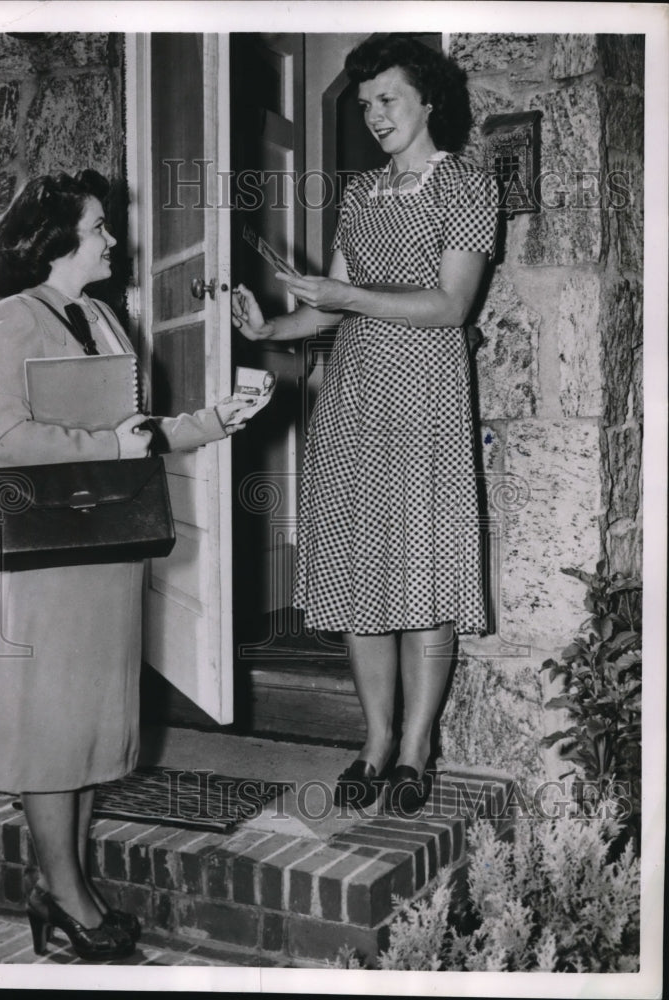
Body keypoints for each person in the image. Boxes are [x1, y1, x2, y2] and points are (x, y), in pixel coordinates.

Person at [0, 169, 252, 961]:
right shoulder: (15, 317)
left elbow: (136, 428)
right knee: (52, 730)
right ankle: (64, 895)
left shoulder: (99, 316)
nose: (113, 241)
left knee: (89, 728)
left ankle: (65, 885)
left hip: (108, 550)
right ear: (55, 241)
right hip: (54, 559)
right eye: (99, 228)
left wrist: (211, 422)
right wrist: (106, 447)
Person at [232, 35, 498, 816]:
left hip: (424, 396)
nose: (375, 114)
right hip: (353, 394)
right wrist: (271, 329)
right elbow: (330, 299)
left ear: (427, 101)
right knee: (358, 574)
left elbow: (450, 307)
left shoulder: (467, 187)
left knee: (422, 573)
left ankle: (417, 746)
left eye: (388, 99)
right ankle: (375, 740)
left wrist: (346, 300)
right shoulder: (360, 193)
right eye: (366, 103)